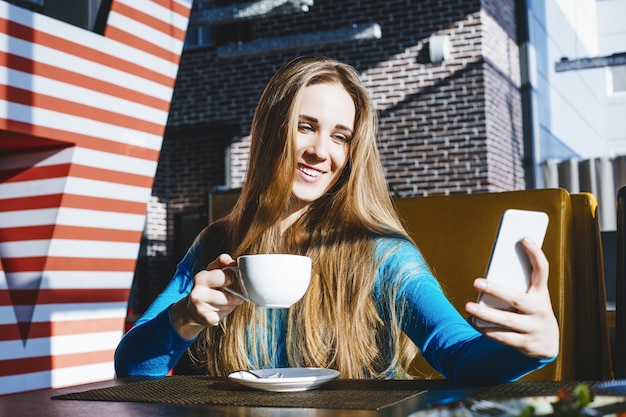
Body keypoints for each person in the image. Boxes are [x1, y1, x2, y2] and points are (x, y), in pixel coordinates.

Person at [114, 56, 559, 382]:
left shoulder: (382, 253)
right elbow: (131, 366)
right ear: (271, 131)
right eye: (305, 126)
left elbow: (459, 356)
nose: (320, 152)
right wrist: (186, 317)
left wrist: (529, 349)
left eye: (339, 137)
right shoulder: (216, 244)